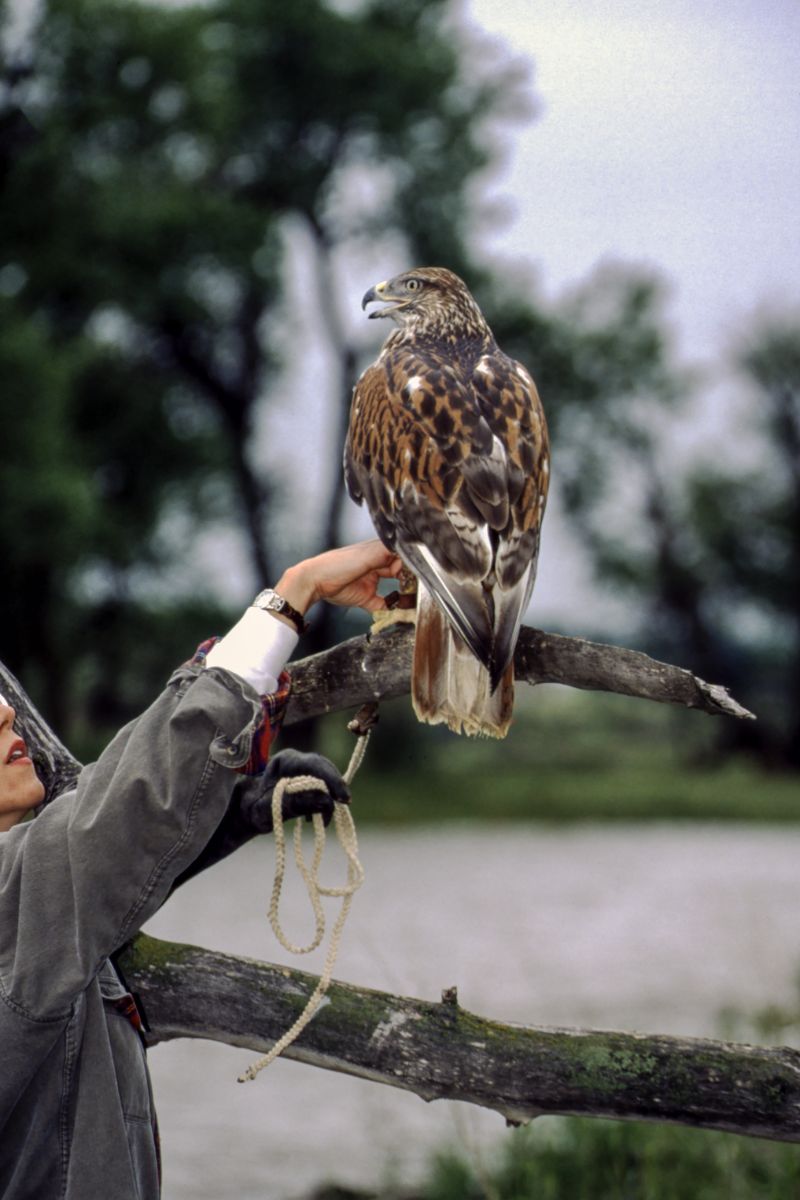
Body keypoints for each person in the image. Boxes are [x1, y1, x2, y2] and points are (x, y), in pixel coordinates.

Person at [0, 539, 402, 1199]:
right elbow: (120, 816)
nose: (6, 710)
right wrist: (290, 598)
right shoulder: (12, 902)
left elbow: (95, 866)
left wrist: (232, 814)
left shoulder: (32, 905)